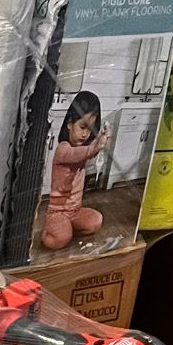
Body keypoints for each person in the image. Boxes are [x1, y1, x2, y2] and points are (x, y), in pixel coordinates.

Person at [42, 92, 109, 251]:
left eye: (90, 130)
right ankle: (50, 232)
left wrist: (102, 141)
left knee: (96, 221)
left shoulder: (82, 149)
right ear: (69, 124)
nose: (85, 134)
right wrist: (96, 147)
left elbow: (88, 152)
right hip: (58, 212)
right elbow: (78, 154)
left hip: (75, 210)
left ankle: (67, 228)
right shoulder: (63, 149)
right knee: (60, 239)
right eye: (82, 127)